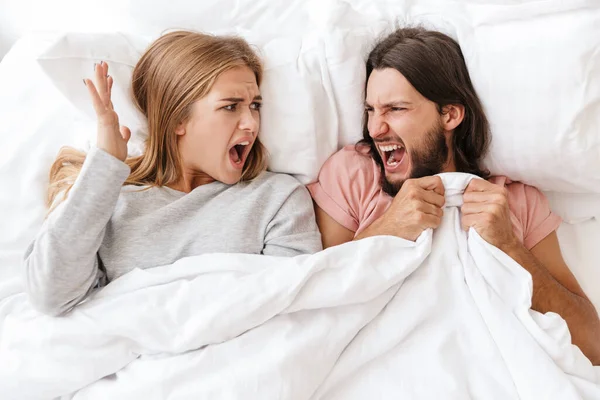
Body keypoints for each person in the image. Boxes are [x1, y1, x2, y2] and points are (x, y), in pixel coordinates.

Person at [308, 27, 600, 364]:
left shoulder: (513, 201)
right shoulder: (354, 173)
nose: (375, 128)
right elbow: (314, 304)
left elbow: (592, 344)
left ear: (450, 114)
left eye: (395, 109)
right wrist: (387, 229)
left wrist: (509, 247)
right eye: (371, 110)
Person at [24, 31, 322, 317]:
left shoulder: (277, 198)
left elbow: (290, 310)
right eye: (231, 106)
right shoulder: (109, 202)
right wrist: (104, 165)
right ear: (179, 118)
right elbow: (50, 296)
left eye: (255, 105)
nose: (251, 123)